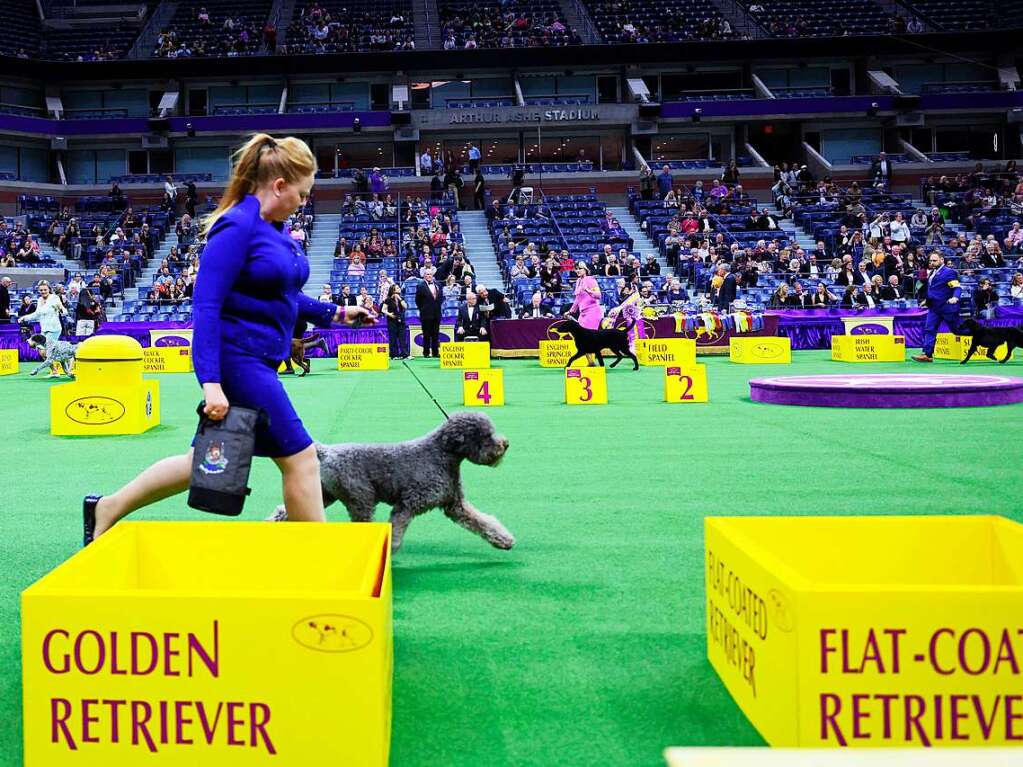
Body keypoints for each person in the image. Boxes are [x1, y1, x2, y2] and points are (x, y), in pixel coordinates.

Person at [84, 134, 374, 545]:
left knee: (198, 462)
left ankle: (107, 507)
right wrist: (211, 382)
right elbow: (205, 307)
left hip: (260, 360)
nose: (304, 201)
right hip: (239, 364)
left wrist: (338, 313)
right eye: (303, 193)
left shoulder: (276, 228)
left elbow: (284, 295)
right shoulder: (236, 225)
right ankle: (318, 560)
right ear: (279, 186)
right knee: (302, 459)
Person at [912, 252, 962, 362]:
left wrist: (955, 297)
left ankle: (982, 336)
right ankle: (927, 354)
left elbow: (957, 287)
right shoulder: (933, 273)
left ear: (941, 260)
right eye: (930, 261)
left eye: (934, 261)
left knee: (958, 330)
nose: (932, 263)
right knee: (929, 329)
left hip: (947, 308)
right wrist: (926, 300)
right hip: (934, 308)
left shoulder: (949, 272)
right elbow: (934, 290)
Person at [567, 262, 604, 365]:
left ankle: (594, 362)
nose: (578, 270)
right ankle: (591, 362)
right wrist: (571, 311)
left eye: (580, 268)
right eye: (576, 269)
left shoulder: (591, 280)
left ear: (585, 269)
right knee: (581, 338)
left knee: (589, 338)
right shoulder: (578, 281)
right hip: (582, 314)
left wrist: (588, 290)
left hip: (592, 312)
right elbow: (577, 299)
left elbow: (598, 295)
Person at [18, 280, 66, 345]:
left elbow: (65, 312)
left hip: (54, 329)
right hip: (44, 329)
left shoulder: (54, 298)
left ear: (49, 289)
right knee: (42, 350)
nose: (43, 292)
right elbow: (37, 314)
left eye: (45, 290)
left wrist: (61, 308)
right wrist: (24, 318)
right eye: (41, 290)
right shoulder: (40, 299)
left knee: (46, 349)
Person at [415, 267, 443, 357]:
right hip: (426, 314)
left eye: (430, 274)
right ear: (424, 276)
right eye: (427, 274)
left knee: (436, 334)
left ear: (432, 275)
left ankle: (435, 352)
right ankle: (426, 353)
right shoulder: (420, 286)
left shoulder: (438, 284)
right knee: (426, 334)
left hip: (437, 314)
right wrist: (423, 309)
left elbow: (440, 299)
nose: (429, 276)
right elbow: (417, 301)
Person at [380, 283, 409, 358]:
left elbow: (405, 307)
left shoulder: (401, 298)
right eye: (397, 288)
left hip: (401, 320)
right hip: (392, 321)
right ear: (393, 291)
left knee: (402, 337)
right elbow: (383, 310)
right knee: (393, 338)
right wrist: (389, 314)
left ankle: (405, 354)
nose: (399, 288)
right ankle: (394, 355)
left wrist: (399, 299)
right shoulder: (388, 299)